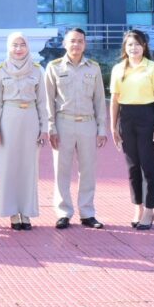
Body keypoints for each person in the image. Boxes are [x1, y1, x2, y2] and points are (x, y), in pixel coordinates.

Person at [45, 27, 108, 230]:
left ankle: (87, 213)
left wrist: (101, 128)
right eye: (72, 41)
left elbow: (99, 100)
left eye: (80, 41)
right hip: (63, 122)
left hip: (87, 124)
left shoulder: (93, 68)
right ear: (64, 44)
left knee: (87, 170)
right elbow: (48, 100)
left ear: (85, 44)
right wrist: (51, 127)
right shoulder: (54, 67)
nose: (76, 45)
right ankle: (63, 212)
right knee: (61, 170)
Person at [110, 29, 154, 230]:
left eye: (137, 44)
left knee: (148, 166)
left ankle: (150, 210)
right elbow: (114, 100)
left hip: (148, 117)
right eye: (130, 44)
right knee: (132, 167)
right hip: (126, 118)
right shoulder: (118, 69)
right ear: (125, 47)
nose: (134, 48)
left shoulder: (153, 68)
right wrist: (113, 126)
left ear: (144, 46)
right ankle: (138, 208)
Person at [0, 32, 49, 231]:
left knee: (29, 167)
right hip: (8, 119)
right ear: (8, 47)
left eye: (22, 44)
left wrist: (44, 127)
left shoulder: (37, 70)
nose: (18, 49)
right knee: (9, 166)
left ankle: (26, 211)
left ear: (27, 47)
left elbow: (42, 102)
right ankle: (12, 211)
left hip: (30, 119)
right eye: (14, 45)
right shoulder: (0, 71)